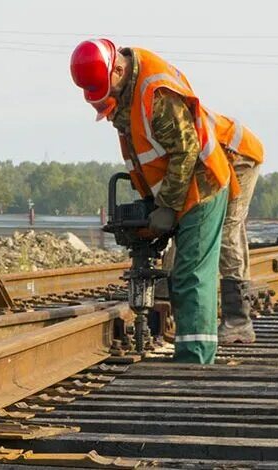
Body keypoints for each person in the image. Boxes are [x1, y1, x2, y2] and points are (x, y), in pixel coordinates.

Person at [70, 38, 234, 364]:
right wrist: (151, 203)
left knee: (190, 274)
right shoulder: (127, 93)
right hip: (176, 192)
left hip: (202, 187)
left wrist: (168, 207)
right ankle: (191, 353)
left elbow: (185, 150)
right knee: (181, 273)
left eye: (108, 93)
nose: (109, 101)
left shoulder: (153, 94)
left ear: (117, 69)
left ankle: (195, 360)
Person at [162, 110, 263, 344]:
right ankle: (177, 313)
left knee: (228, 229)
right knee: (185, 226)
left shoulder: (168, 120)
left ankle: (238, 321)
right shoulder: (151, 126)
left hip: (240, 158)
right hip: (213, 163)